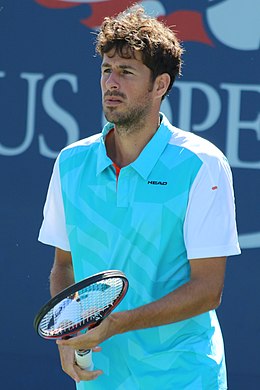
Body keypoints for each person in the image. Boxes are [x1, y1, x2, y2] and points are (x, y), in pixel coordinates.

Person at [38, 5, 241, 390]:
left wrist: (116, 324)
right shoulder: (70, 163)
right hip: (99, 379)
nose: (111, 82)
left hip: (184, 377)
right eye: (106, 70)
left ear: (160, 85)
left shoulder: (202, 165)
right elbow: (64, 267)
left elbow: (207, 289)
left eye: (126, 72)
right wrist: (67, 333)